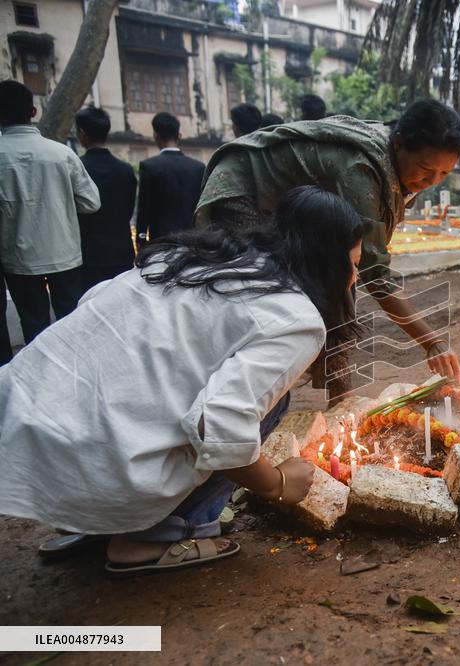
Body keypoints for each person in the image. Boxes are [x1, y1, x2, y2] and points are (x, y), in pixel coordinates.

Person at [0, 186, 363, 575]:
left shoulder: (193, 258)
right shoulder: (297, 319)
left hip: (27, 420)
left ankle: (100, 522)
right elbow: (219, 423)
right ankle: (155, 536)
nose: (355, 277)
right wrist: (276, 482)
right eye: (353, 264)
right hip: (102, 466)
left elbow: (95, 302)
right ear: (326, 264)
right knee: (275, 405)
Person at [196, 98, 460, 392]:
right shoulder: (360, 171)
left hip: (297, 208)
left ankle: (337, 388)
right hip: (245, 188)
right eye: (426, 169)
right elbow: (376, 274)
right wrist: (432, 342)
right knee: (261, 292)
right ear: (399, 144)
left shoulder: (392, 164)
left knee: (341, 276)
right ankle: (243, 389)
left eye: (444, 174)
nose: (431, 181)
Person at [0, 80, 100, 346]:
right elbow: (91, 202)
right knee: (71, 323)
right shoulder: (61, 154)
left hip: (18, 259)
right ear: (33, 112)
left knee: (34, 326)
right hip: (64, 253)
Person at [74, 106, 138, 292]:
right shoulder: (125, 169)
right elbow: (128, 209)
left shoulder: (77, 168)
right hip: (121, 250)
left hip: (87, 253)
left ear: (82, 133)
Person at [136, 112, 206, 246]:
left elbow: (144, 209)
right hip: (193, 240)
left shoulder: (149, 166)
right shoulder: (199, 167)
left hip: (162, 240)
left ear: (156, 136)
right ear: (179, 136)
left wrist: (141, 237)